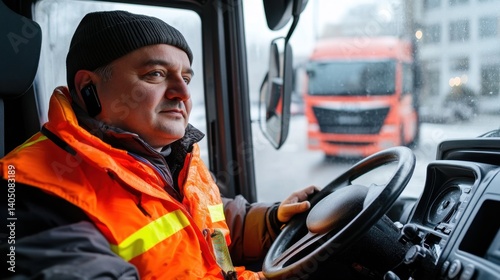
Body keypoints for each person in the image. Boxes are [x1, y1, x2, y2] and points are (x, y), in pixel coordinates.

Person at [0, 10, 318, 279]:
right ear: (88, 88)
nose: (182, 92)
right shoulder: (30, 187)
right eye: (156, 74)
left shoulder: (172, 159)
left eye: (186, 77)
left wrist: (271, 220)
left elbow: (207, 229)